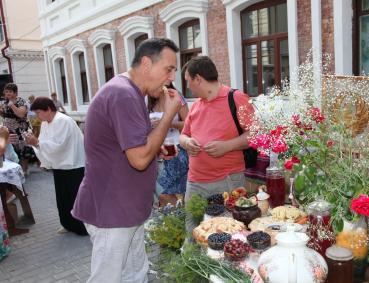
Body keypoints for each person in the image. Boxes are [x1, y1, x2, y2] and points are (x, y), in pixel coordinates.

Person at [71, 38, 181, 283]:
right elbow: (139, 159)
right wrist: (168, 115)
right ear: (145, 64)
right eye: (168, 69)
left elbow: (134, 147)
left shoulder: (130, 92)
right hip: (113, 212)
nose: (171, 78)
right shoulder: (123, 94)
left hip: (125, 210)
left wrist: (155, 147)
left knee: (135, 275)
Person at [179, 56, 254, 232]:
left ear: (198, 79)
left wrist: (227, 146)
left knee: (229, 232)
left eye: (188, 81)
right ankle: (191, 260)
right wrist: (188, 142)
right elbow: (183, 136)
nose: (188, 86)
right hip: (195, 181)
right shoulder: (196, 105)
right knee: (193, 230)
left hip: (226, 180)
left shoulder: (236, 98)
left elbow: (256, 134)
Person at [24, 97, 87, 236]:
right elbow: (43, 143)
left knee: (76, 198)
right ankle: (67, 224)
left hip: (74, 165)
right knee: (63, 198)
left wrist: (37, 143)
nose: (37, 117)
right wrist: (34, 142)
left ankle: (82, 227)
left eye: (39, 112)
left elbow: (60, 146)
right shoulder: (46, 123)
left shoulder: (62, 120)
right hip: (60, 165)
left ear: (48, 109)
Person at [148, 83, 189, 206]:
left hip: (176, 152)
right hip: (155, 152)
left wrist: (168, 123)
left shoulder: (176, 98)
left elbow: (189, 124)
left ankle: (179, 217)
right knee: (161, 193)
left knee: (174, 193)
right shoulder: (147, 100)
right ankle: (171, 218)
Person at [0, 83, 36, 175]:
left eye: (10, 92)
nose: (7, 93)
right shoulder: (4, 102)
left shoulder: (20, 101)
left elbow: (21, 114)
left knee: (24, 150)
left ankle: (24, 170)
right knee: (12, 149)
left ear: (15, 93)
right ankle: (15, 168)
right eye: (6, 91)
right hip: (8, 129)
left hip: (20, 129)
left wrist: (12, 105)